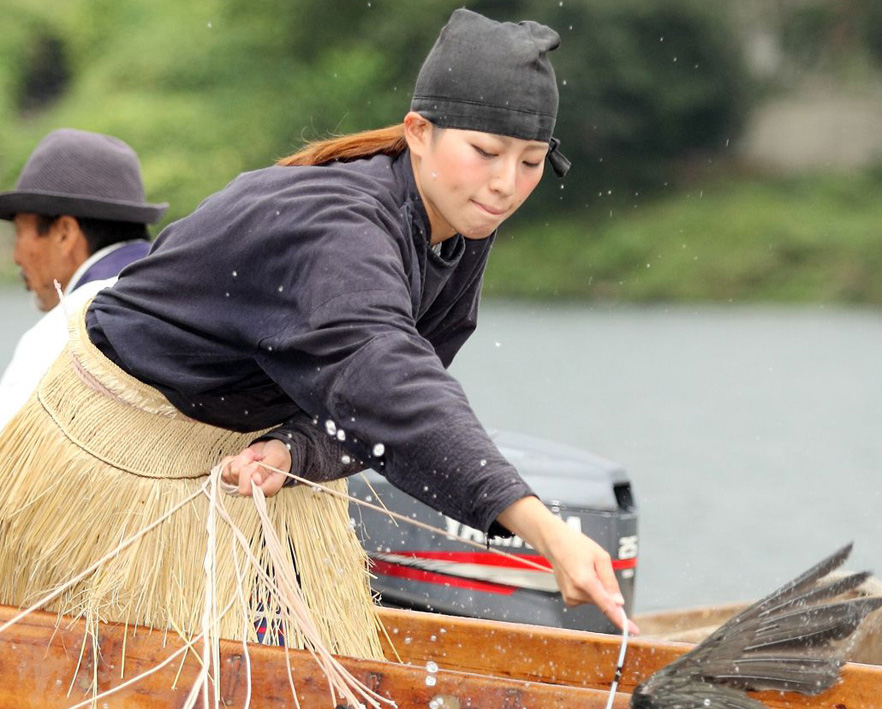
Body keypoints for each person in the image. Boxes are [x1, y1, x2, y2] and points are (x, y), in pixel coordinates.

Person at [0, 9, 632, 657]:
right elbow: (388, 379)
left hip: (231, 450)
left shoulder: (461, 221)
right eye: (486, 153)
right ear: (419, 132)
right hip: (116, 451)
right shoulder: (341, 226)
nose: (506, 185)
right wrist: (544, 528)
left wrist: (297, 451)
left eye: (531, 162)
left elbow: (384, 396)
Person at [0, 128, 167, 426]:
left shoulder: (66, 330)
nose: (16, 257)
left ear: (65, 233)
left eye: (20, 234)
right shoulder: (184, 295)